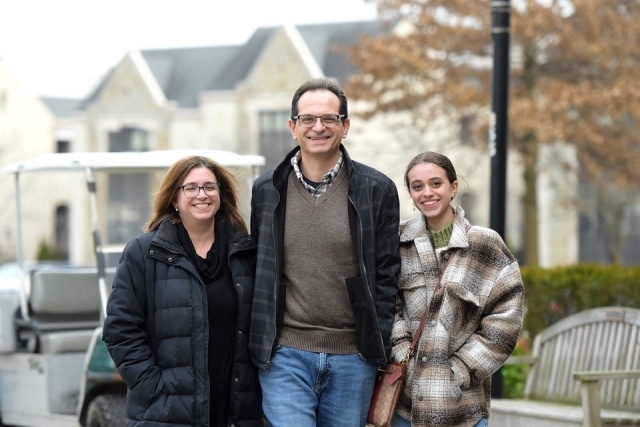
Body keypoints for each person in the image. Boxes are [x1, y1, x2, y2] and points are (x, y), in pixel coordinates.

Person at [249, 77, 401, 427]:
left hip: (353, 358)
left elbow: (386, 274)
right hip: (285, 355)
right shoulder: (266, 190)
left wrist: (373, 347)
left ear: (345, 126)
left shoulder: (376, 189)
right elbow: (259, 268)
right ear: (293, 127)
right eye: (308, 119)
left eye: (329, 119)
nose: (318, 127)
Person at [102, 155, 263, 427]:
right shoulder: (143, 252)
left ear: (220, 195)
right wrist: (154, 390)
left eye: (210, 187)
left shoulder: (245, 252)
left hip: (235, 412)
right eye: (191, 187)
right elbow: (121, 330)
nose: (202, 194)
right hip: (167, 412)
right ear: (175, 199)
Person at [390, 151, 525, 427]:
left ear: (453, 188)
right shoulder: (398, 243)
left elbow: (506, 320)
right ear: (410, 193)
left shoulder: (485, 245)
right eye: (418, 186)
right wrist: (401, 349)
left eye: (436, 183)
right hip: (405, 407)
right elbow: (386, 303)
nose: (427, 193)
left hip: (463, 409)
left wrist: (458, 372)